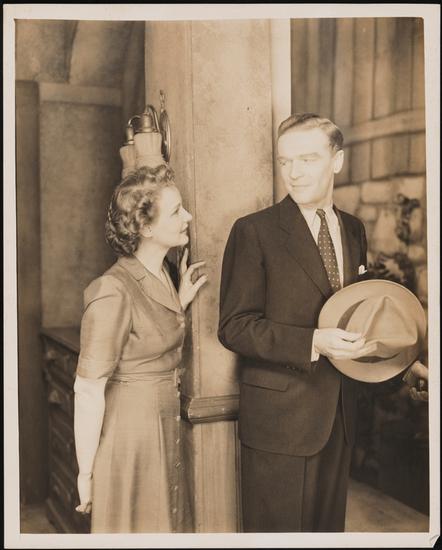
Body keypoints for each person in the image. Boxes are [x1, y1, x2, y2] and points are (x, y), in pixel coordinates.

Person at [218, 113, 376, 532]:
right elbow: (234, 326)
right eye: (285, 161)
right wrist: (314, 342)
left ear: (337, 160)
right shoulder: (253, 231)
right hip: (279, 425)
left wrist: (398, 360)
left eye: (308, 159)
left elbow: (356, 310)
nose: (293, 172)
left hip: (339, 419)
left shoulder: (354, 230)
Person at [73, 164, 207, 533]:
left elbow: (146, 334)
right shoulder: (111, 290)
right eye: (177, 211)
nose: (188, 217)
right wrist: (86, 472)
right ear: (146, 228)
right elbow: (87, 389)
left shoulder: (163, 273)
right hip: (131, 434)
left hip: (163, 423)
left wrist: (178, 301)